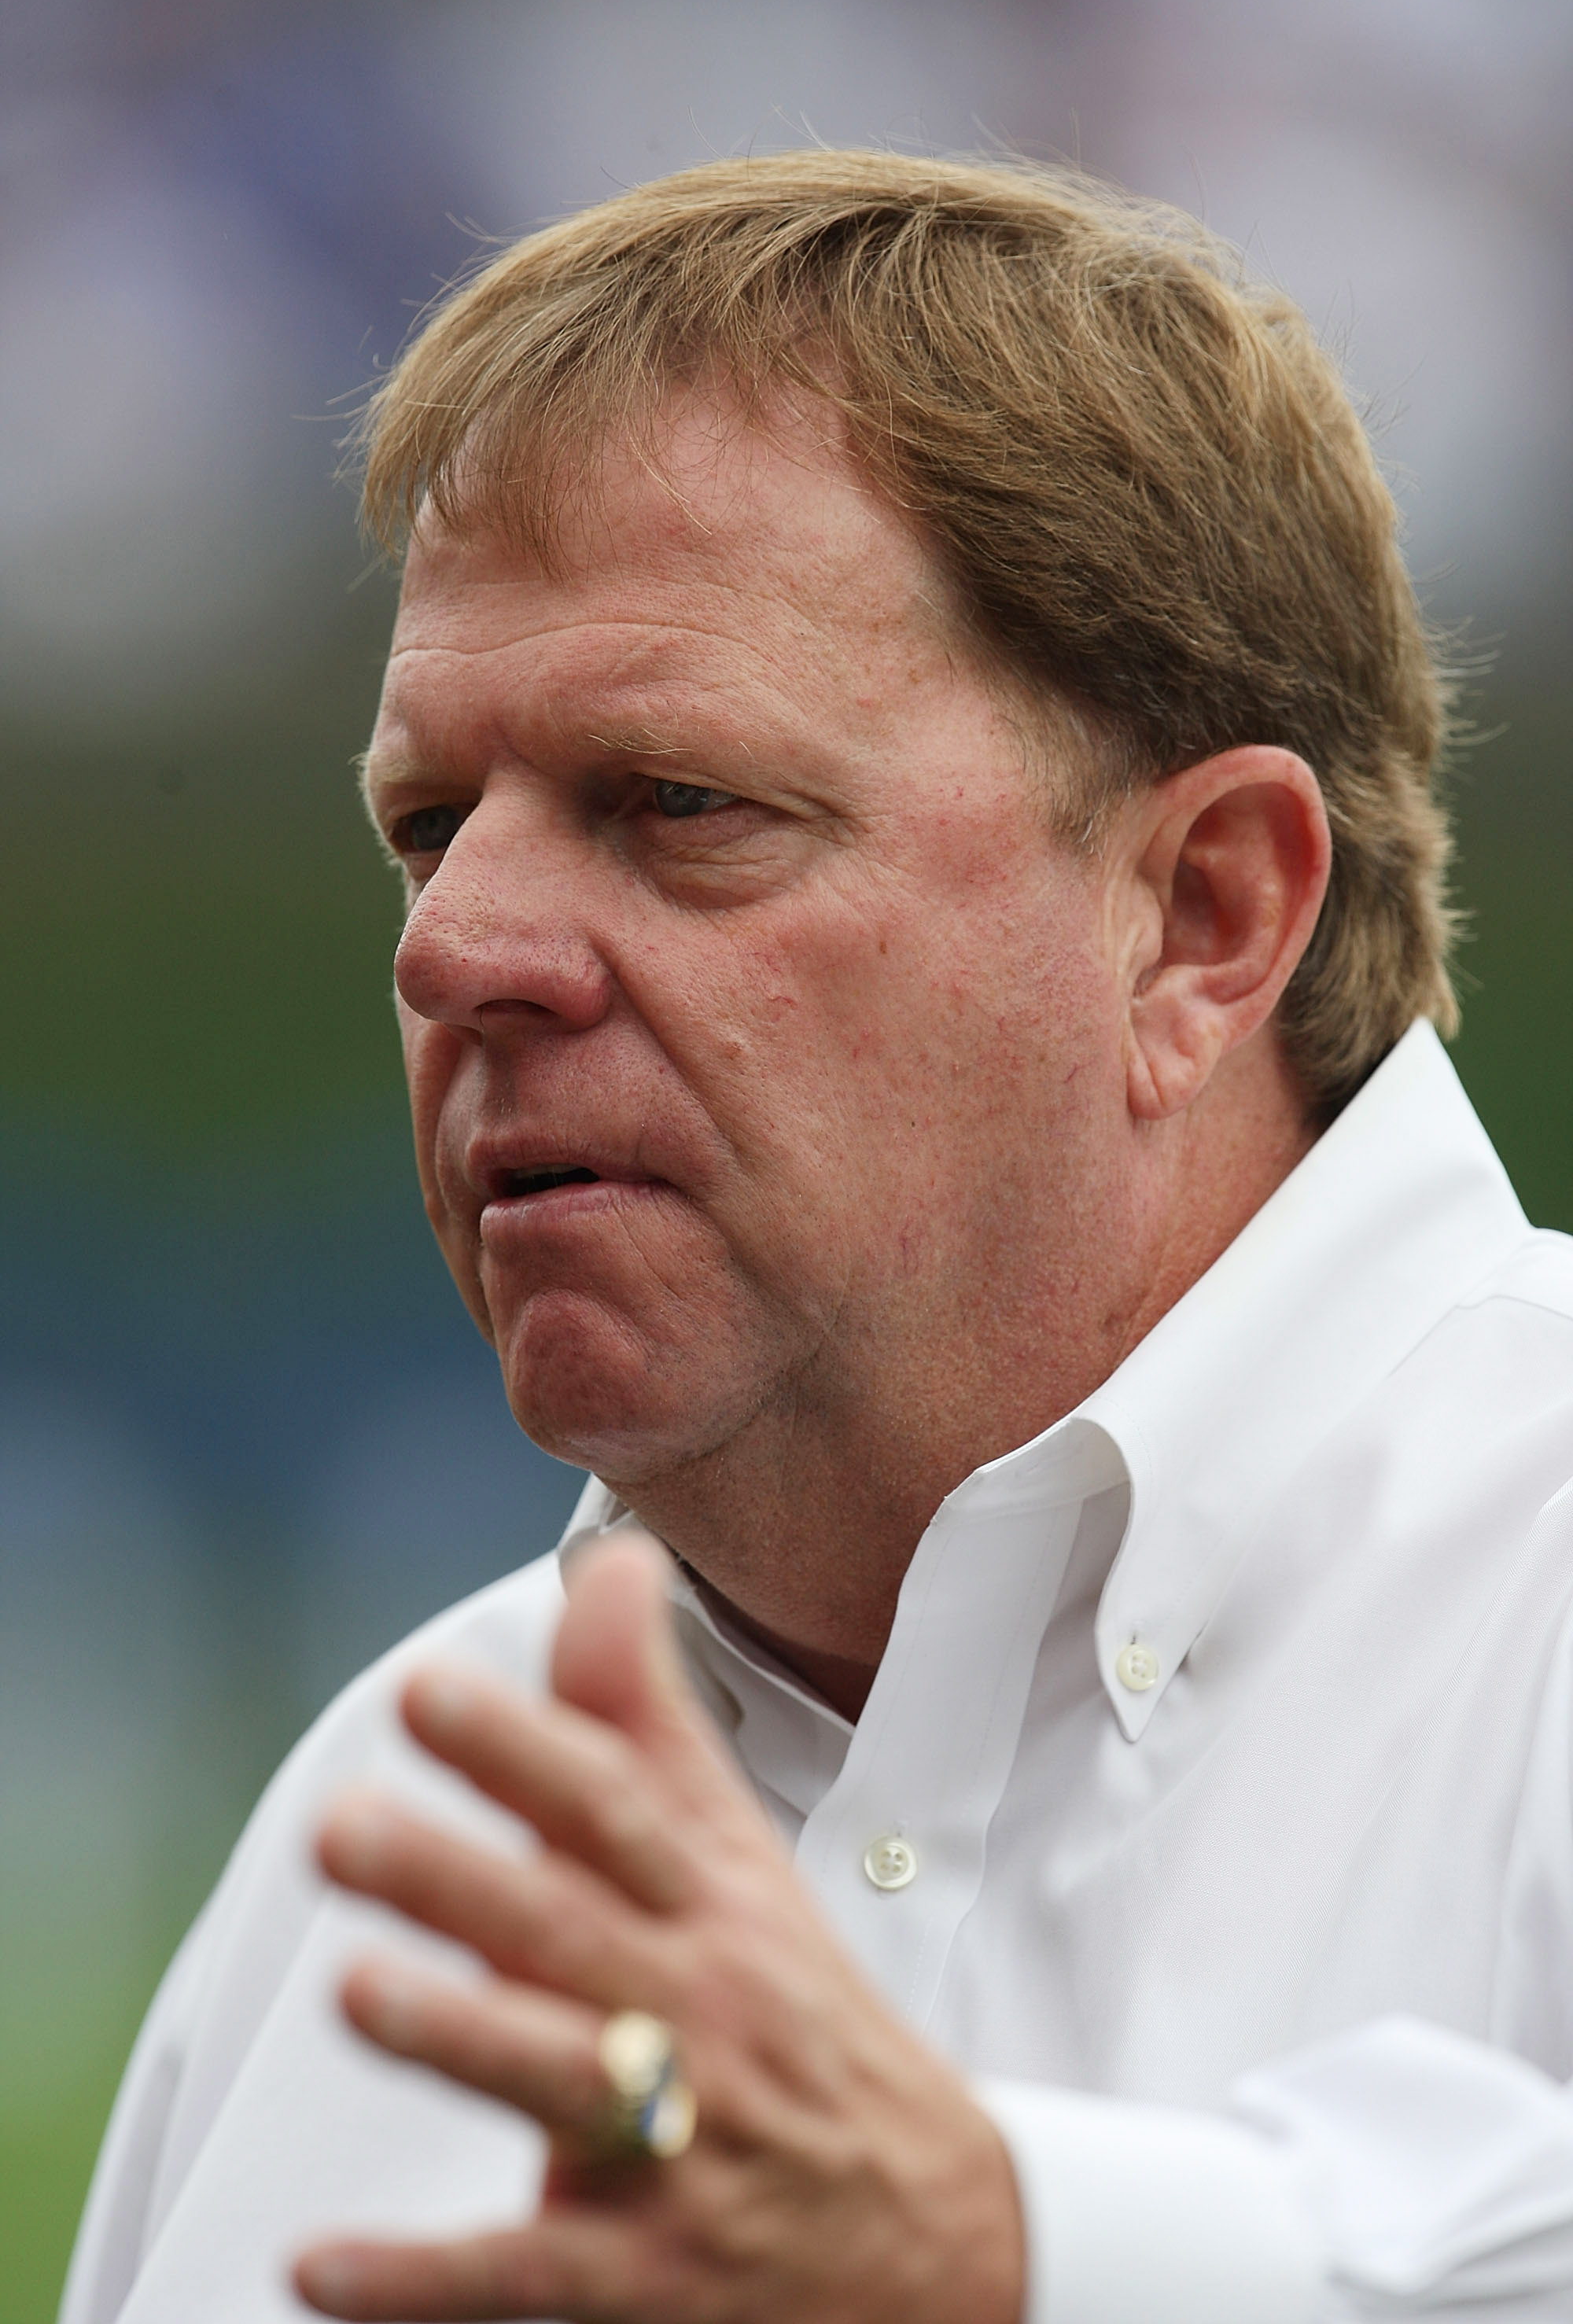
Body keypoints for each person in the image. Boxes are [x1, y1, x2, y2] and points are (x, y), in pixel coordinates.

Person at [61, 151, 1573, 2324]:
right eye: (428, 825)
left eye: (680, 803)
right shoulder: (397, 1829)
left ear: (1209, 912)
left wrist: (1018, 2258)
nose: (460, 944)